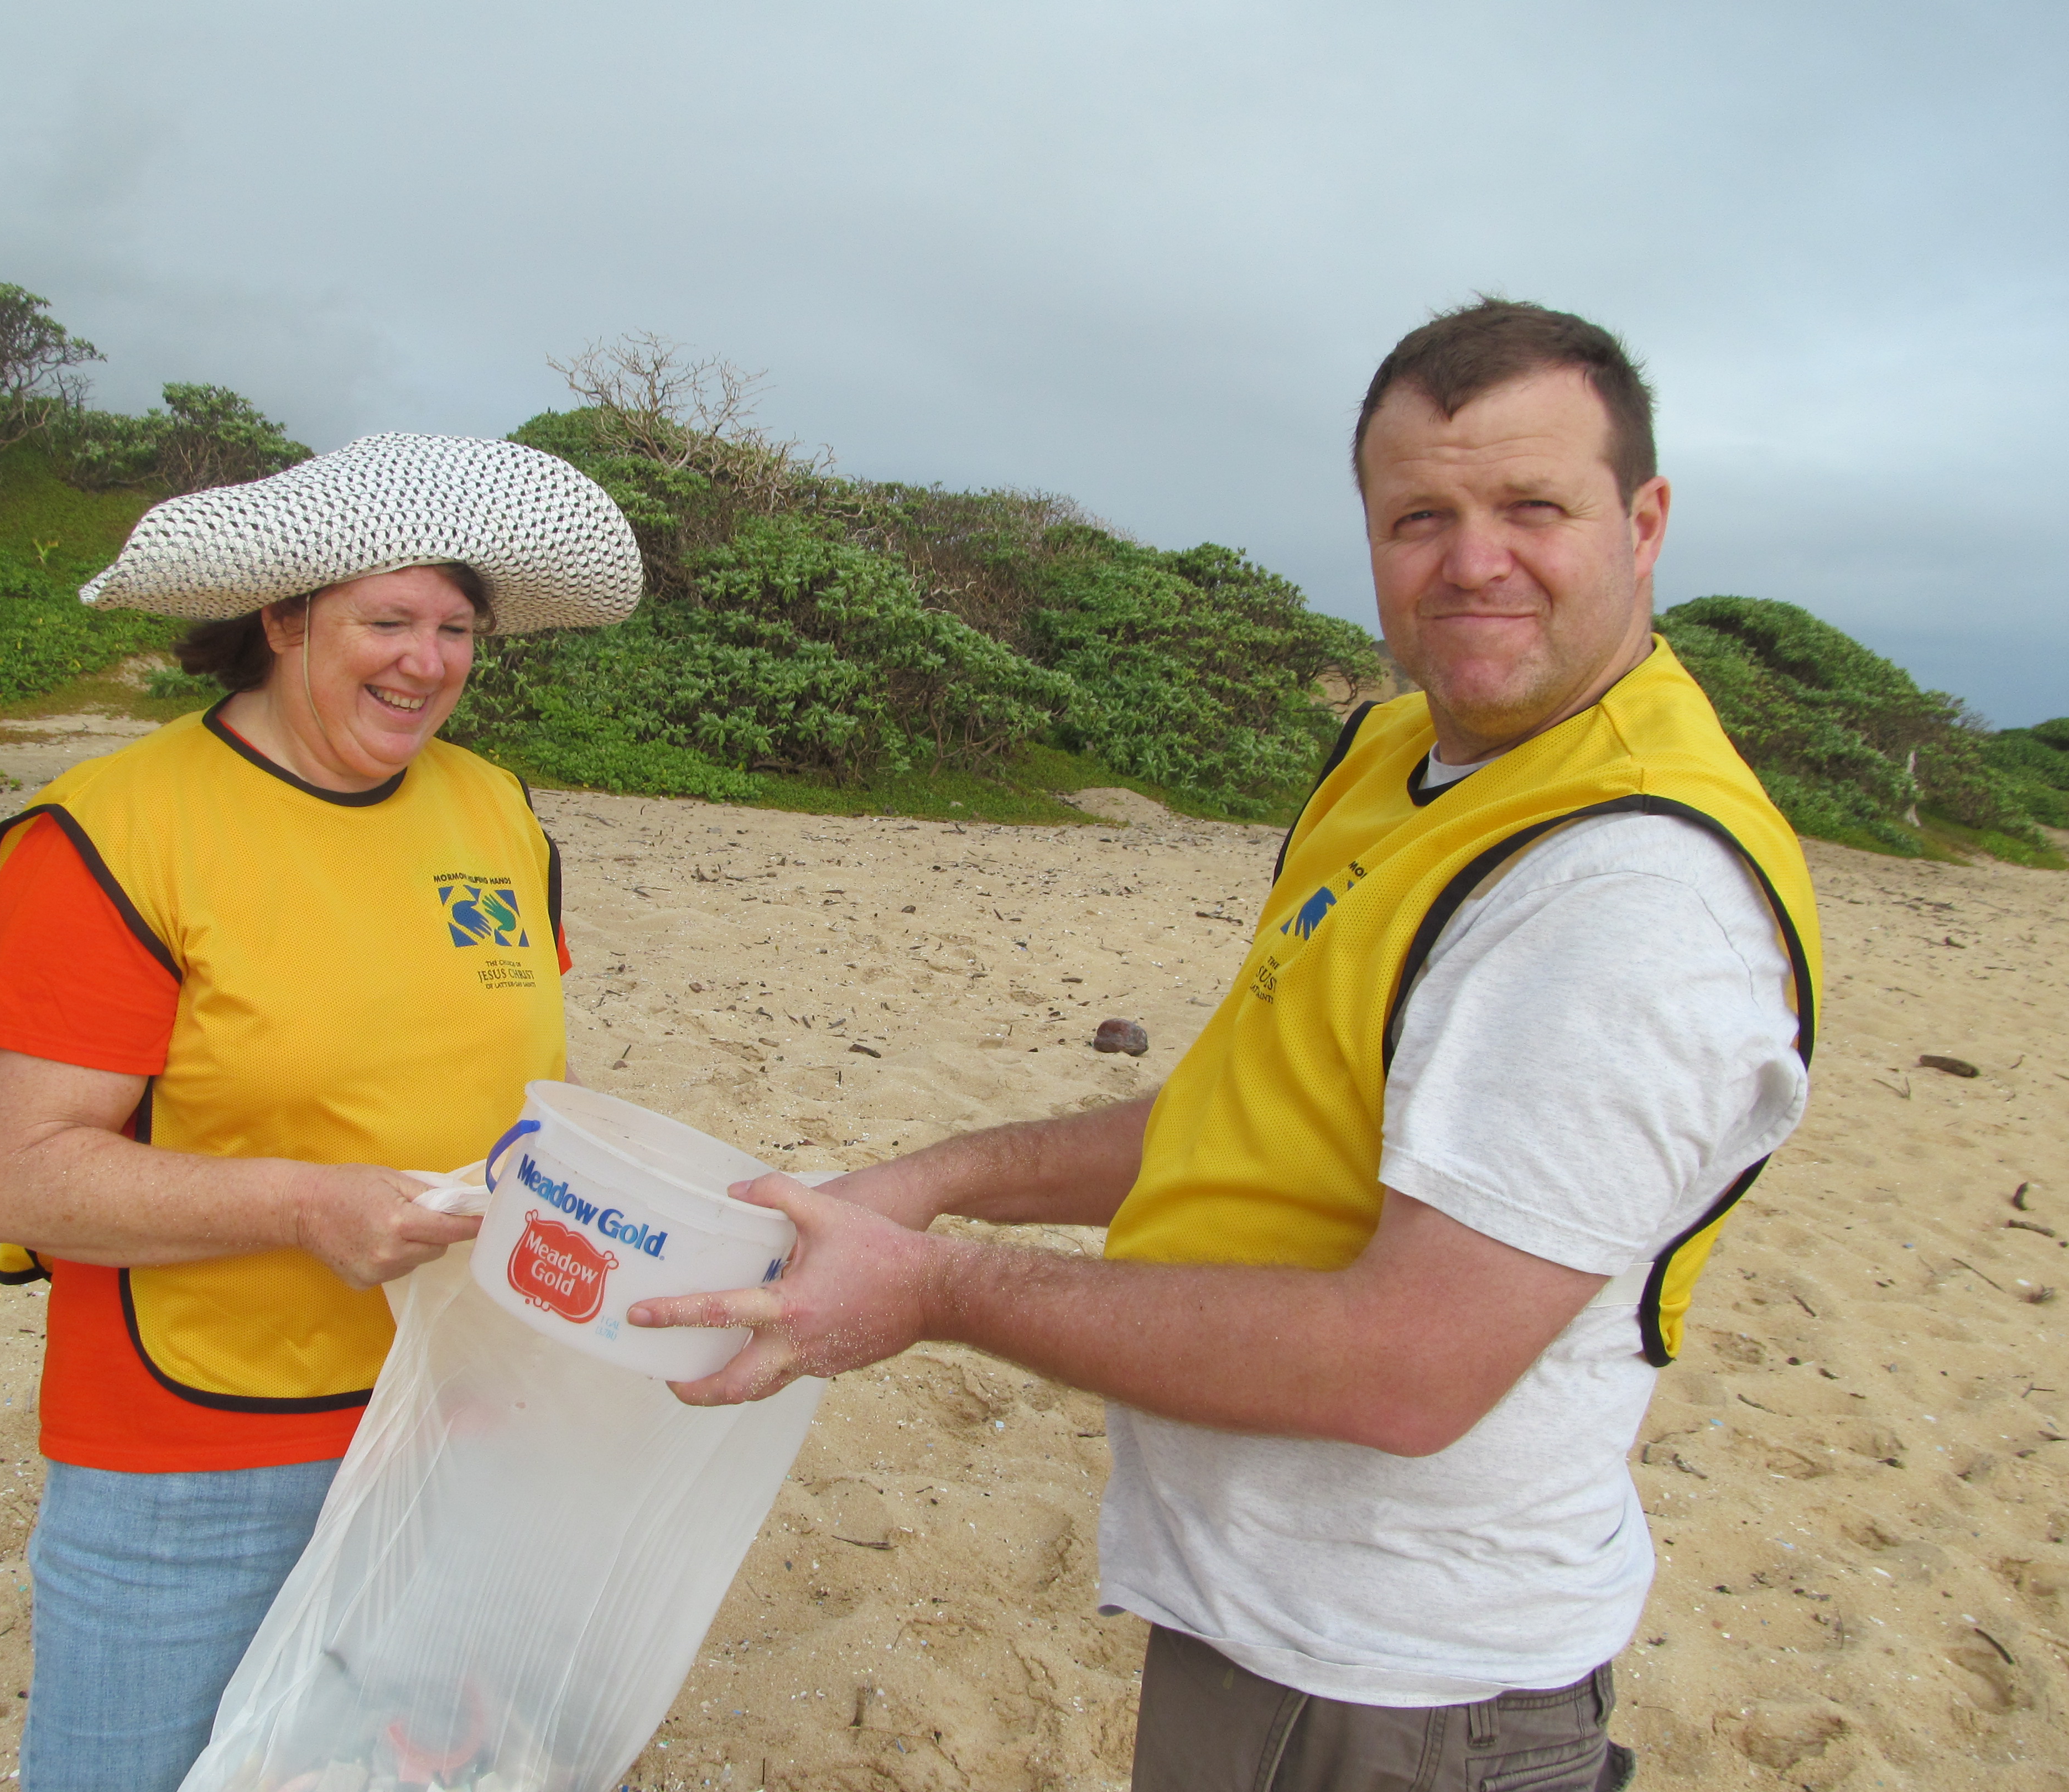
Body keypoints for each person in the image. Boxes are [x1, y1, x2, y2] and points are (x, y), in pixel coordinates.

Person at [630, 301, 1822, 1791]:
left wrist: (934, 1289)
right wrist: (929, 1182)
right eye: (1421, 517)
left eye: (1534, 508)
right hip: (1252, 1619)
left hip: (1402, 1677)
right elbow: (1256, 1113)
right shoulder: (1403, 758)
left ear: (1642, 525)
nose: (1473, 562)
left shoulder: (1630, 894)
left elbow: (1409, 1368)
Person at [0, 434, 642, 1792]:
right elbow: (18, 1180)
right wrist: (311, 1204)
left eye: (455, 629)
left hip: (451, 1417)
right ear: (282, 617)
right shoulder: (115, 830)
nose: (426, 662)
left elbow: (502, 1090)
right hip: (193, 1449)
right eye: (388, 621)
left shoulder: (495, 810)